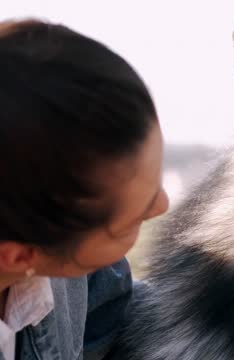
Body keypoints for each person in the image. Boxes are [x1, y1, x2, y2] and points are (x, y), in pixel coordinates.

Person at [0, 19, 169, 359]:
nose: (162, 205)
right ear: (19, 256)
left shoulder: (75, 268)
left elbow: (112, 310)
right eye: (129, 223)